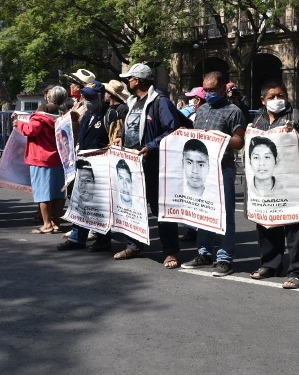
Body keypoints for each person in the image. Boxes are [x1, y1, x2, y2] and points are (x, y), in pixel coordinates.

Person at [111, 63, 183, 268]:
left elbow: (173, 130)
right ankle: (133, 245)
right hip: (132, 164)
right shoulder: (133, 102)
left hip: (154, 164)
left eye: (130, 78)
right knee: (132, 205)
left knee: (160, 208)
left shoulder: (160, 102)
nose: (128, 82)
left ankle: (171, 252)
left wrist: (151, 146)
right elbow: (132, 128)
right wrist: (122, 141)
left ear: (139, 80)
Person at [181, 70, 248, 277]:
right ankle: (204, 253)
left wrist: (219, 138)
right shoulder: (201, 111)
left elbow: (240, 141)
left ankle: (225, 258)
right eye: (206, 90)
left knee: (225, 215)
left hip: (224, 169)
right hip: (203, 171)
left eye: (212, 90)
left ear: (223, 88)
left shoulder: (233, 111)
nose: (208, 93)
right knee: (203, 211)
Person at [58, 82, 114, 251]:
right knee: (79, 202)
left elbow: (115, 140)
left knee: (99, 205)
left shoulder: (109, 114)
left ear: (100, 97)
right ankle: (77, 237)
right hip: (83, 164)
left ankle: (103, 239)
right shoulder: (87, 114)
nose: (87, 100)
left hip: (101, 165)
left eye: (90, 97)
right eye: (85, 96)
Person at [15, 88, 67, 234]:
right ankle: (56, 222)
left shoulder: (40, 115)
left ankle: (46, 224)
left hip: (41, 157)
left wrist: (18, 124)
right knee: (58, 193)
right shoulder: (63, 114)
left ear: (48, 97)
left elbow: (31, 130)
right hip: (59, 157)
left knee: (43, 193)